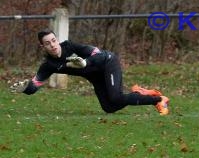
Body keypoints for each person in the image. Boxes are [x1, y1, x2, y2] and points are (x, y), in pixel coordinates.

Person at [10, 29, 170, 115]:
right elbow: (35, 85)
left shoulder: (70, 46)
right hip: (95, 77)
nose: (53, 45)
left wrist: (85, 62)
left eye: (53, 40)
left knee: (116, 97)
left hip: (107, 62)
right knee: (109, 108)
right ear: (42, 47)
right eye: (47, 43)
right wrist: (26, 89)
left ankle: (158, 100)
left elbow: (97, 52)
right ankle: (140, 93)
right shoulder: (49, 65)